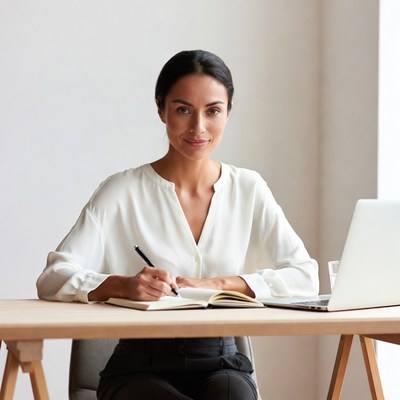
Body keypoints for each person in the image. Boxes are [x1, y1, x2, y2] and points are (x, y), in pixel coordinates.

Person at [37, 49, 319, 400]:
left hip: (222, 362)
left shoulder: (249, 188)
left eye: (213, 110)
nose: (198, 127)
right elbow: (53, 278)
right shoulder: (121, 190)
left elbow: (305, 276)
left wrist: (219, 283)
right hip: (139, 365)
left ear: (228, 112)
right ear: (161, 110)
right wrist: (121, 285)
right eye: (183, 109)